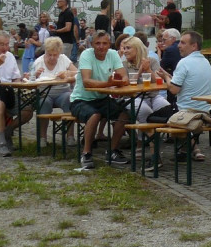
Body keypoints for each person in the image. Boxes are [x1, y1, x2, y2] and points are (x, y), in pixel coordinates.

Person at [69, 31, 130, 169]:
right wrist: (110, 83)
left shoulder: (113, 54)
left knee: (124, 114)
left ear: (110, 44)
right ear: (91, 44)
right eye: (98, 43)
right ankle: (86, 153)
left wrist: (121, 81)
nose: (101, 47)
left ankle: (113, 151)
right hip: (80, 99)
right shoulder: (86, 54)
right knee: (94, 114)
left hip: (102, 98)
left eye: (104, 43)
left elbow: (124, 77)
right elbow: (87, 82)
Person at [168, 30, 211, 162]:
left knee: (153, 116)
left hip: (187, 112)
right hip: (205, 111)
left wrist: (167, 79)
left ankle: (191, 149)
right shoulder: (205, 61)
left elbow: (173, 90)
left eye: (183, 43)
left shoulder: (184, 62)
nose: (178, 45)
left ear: (194, 46)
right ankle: (188, 149)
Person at [32, 36, 78, 145]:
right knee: (44, 103)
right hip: (44, 92)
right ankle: (43, 137)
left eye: (55, 55)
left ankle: (70, 136)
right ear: (45, 52)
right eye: (49, 54)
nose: (52, 57)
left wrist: (67, 73)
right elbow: (30, 80)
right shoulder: (39, 62)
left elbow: (77, 73)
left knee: (69, 98)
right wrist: (35, 75)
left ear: (59, 53)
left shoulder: (64, 59)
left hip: (62, 92)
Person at [121, 36, 170, 125]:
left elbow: (159, 82)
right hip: (133, 98)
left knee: (166, 107)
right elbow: (128, 85)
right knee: (145, 110)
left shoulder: (152, 61)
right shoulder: (123, 65)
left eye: (128, 48)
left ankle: (158, 134)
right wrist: (140, 71)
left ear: (138, 48)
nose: (125, 51)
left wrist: (148, 70)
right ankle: (145, 138)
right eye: (124, 48)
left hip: (153, 96)